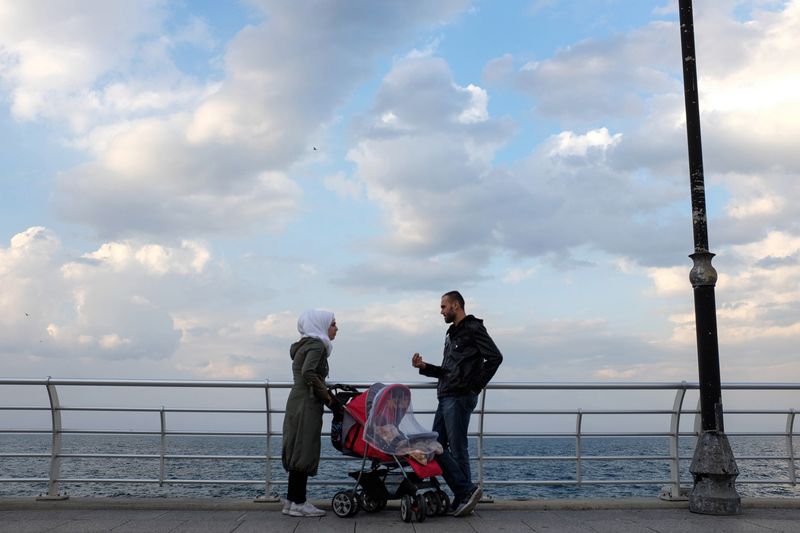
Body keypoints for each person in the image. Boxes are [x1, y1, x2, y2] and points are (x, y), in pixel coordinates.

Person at [411, 291, 502, 517]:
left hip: (459, 397)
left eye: (443, 306)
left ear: (456, 305)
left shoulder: (473, 328)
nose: (441, 311)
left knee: (457, 447)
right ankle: (464, 493)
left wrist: (474, 386)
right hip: (446, 396)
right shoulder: (451, 333)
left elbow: (495, 357)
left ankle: (465, 495)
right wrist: (424, 367)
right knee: (435, 445)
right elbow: (448, 371)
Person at [281, 309, 341, 517]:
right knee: (304, 448)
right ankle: (299, 502)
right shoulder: (317, 345)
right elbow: (309, 373)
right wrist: (329, 399)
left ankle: (291, 501)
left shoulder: (304, 345)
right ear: (321, 325)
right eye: (333, 324)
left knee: (297, 448)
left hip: (296, 400)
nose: (336, 328)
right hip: (307, 402)